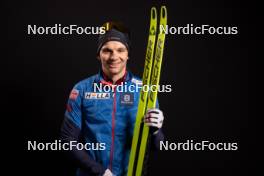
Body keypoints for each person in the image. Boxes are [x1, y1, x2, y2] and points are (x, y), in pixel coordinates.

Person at [60, 21, 165, 176]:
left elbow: (158, 146)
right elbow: (67, 140)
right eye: (107, 50)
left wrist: (156, 132)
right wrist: (99, 171)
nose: (114, 57)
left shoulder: (144, 90)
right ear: (98, 54)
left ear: (127, 54)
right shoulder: (82, 89)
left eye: (120, 50)